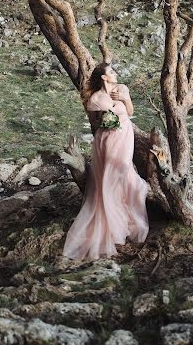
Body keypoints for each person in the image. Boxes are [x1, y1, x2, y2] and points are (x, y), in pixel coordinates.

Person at [62, 62, 150, 261]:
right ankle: (113, 221)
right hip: (108, 139)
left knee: (125, 171)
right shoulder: (95, 99)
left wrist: (126, 98)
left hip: (125, 136)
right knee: (110, 177)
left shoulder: (122, 89)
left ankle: (127, 215)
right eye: (111, 72)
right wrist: (105, 121)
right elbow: (94, 121)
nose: (115, 73)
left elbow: (130, 111)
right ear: (103, 77)